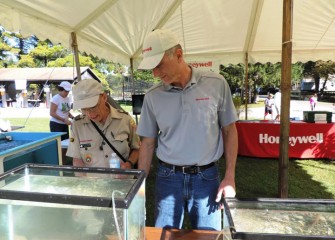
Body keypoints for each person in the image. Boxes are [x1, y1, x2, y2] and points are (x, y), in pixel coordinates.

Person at [136, 29, 238, 230]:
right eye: (151, 68)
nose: (155, 73)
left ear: (179, 54)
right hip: (168, 177)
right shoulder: (152, 96)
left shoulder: (216, 84)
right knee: (164, 234)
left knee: (209, 235)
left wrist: (230, 176)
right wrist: (139, 185)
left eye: (158, 65)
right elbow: (147, 144)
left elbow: (229, 130)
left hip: (206, 178)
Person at [66, 79, 140, 169]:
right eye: (84, 109)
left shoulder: (125, 120)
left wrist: (129, 164)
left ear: (104, 97)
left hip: (121, 180)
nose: (90, 114)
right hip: (93, 181)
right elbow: (77, 160)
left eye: (93, 107)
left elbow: (137, 148)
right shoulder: (77, 125)